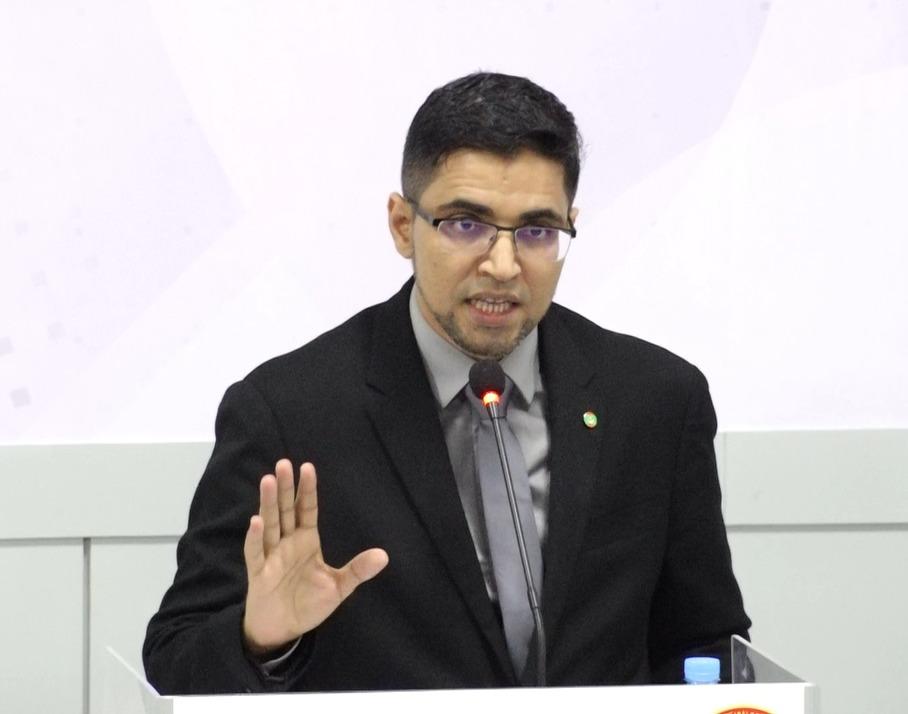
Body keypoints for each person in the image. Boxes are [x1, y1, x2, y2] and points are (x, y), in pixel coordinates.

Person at [143, 72, 750, 693]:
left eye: (537, 232)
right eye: (466, 224)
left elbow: (707, 644)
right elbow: (174, 655)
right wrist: (263, 641)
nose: (503, 265)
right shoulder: (289, 412)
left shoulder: (656, 400)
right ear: (402, 225)